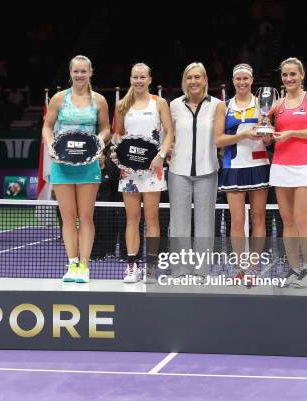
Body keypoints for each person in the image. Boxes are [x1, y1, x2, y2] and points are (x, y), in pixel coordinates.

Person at [42, 55, 110, 283]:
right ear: (70, 73)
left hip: (88, 166)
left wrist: (100, 142)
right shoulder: (59, 99)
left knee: (86, 217)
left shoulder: (99, 100)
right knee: (68, 218)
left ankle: (84, 266)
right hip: (62, 165)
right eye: (76, 72)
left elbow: (106, 129)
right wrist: (51, 145)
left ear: (91, 73)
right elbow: (47, 127)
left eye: (84, 71)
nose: (80, 75)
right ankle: (71, 264)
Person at [112, 63, 174, 283]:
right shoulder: (122, 105)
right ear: (131, 79)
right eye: (135, 77)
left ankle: (151, 267)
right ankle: (132, 267)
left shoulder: (159, 103)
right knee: (132, 219)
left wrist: (162, 155)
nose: (138, 81)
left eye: (142, 77)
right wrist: (119, 157)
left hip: (153, 170)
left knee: (152, 219)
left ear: (149, 79)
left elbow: (169, 134)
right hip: (128, 172)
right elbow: (118, 135)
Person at [270, 57, 307, 288]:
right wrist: (265, 133)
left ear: (302, 75)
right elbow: (271, 130)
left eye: (293, 74)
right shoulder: (278, 103)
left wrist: (291, 133)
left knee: (302, 218)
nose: (289, 78)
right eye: (285, 75)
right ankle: (294, 269)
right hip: (281, 164)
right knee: (287, 220)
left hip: (305, 165)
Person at [214, 63, 271, 282]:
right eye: (238, 79)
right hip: (233, 166)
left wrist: (266, 135)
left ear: (252, 80)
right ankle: (240, 268)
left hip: (258, 166)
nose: (242, 82)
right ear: (233, 80)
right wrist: (245, 134)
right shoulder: (224, 106)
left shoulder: (263, 104)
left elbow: (268, 140)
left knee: (258, 220)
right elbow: (218, 139)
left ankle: (253, 270)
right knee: (236, 221)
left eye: (245, 78)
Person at [169, 62, 222, 277]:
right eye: (189, 77)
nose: (193, 81)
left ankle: (201, 270)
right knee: (179, 223)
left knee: (205, 225)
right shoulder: (173, 105)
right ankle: (180, 268)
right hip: (178, 171)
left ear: (205, 80)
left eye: (197, 77)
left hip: (208, 171)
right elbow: (166, 136)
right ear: (184, 81)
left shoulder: (218, 105)